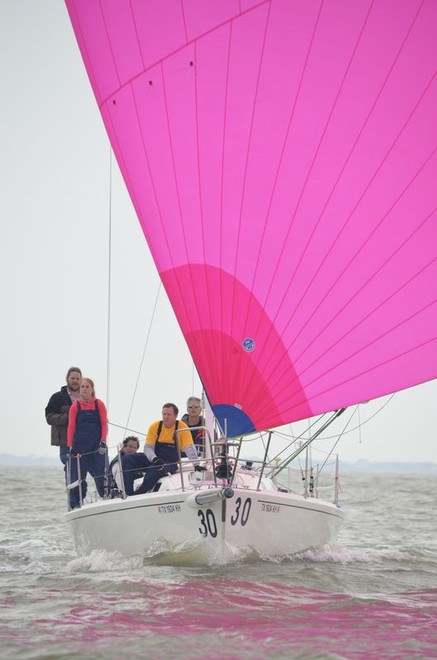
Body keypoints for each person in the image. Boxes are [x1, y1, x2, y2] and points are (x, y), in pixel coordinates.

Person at [122, 403, 204, 496]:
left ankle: (139, 494)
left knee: (154, 471)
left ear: (175, 416)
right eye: (164, 414)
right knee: (128, 459)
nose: (166, 417)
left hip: (170, 462)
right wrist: (154, 458)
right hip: (154, 458)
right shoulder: (155, 426)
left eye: (169, 415)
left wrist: (196, 465)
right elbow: (148, 447)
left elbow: (189, 447)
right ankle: (128, 493)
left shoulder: (182, 427)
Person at [67, 377, 108, 509]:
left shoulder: (99, 404)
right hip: (80, 448)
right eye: (82, 387)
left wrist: (103, 442)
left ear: (92, 389)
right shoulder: (75, 406)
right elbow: (71, 427)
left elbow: (104, 425)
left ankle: (108, 498)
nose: (84, 389)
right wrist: (70, 446)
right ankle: (76, 504)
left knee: (102, 476)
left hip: (97, 448)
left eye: (87, 387)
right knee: (78, 478)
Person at [45, 367, 82, 466]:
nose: (75, 381)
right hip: (65, 442)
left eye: (78, 379)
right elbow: (49, 418)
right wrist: (68, 417)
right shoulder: (57, 397)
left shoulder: (86, 397)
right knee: (71, 466)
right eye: (73, 378)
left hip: (84, 441)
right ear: (67, 379)